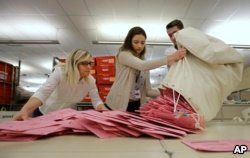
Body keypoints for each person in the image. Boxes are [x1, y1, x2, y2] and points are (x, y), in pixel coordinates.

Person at [105, 26, 186, 112]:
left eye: (142, 43)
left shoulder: (144, 61)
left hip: (135, 105)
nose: (139, 46)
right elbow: (142, 65)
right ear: (129, 42)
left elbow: (148, 91)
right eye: (136, 42)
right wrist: (172, 57)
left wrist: (168, 93)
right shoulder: (123, 55)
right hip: (117, 103)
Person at [14, 49, 106, 121]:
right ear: (74, 64)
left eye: (90, 63)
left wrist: (104, 111)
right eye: (84, 63)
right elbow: (43, 93)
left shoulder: (90, 81)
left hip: (66, 118)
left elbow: (96, 101)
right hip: (44, 114)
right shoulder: (60, 73)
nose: (89, 67)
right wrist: (25, 110)